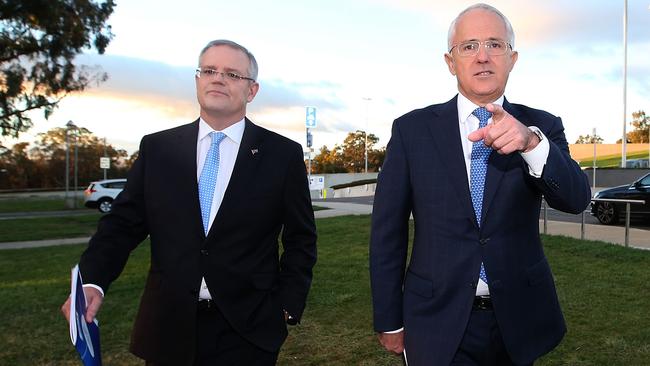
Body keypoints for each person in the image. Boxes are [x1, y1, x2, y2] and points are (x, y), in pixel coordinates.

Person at [61, 39, 317, 366]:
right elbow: (121, 226)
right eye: (209, 70)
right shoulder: (158, 149)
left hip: (247, 331)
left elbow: (301, 238)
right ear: (198, 80)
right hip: (167, 327)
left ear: (251, 91)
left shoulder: (282, 155)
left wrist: (286, 304)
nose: (218, 78)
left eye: (232, 74)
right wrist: (92, 279)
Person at [369, 4, 590, 366]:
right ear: (450, 61)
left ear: (513, 58)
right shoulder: (411, 130)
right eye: (468, 46)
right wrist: (389, 318)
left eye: (494, 45)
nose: (483, 56)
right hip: (435, 318)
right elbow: (386, 234)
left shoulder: (542, 126)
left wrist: (531, 144)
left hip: (519, 319)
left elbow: (576, 199)